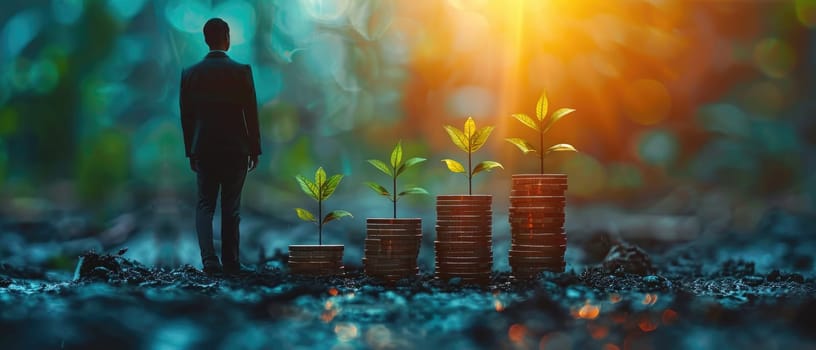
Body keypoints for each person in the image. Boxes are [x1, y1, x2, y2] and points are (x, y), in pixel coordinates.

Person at [180, 18, 261, 275]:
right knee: (231, 206)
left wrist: (190, 150)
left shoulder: (190, 74)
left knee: (205, 205)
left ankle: (209, 261)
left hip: (203, 148)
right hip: (236, 149)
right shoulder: (241, 71)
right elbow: (251, 113)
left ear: (206, 39)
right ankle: (232, 262)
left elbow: (187, 116)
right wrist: (254, 148)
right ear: (227, 36)